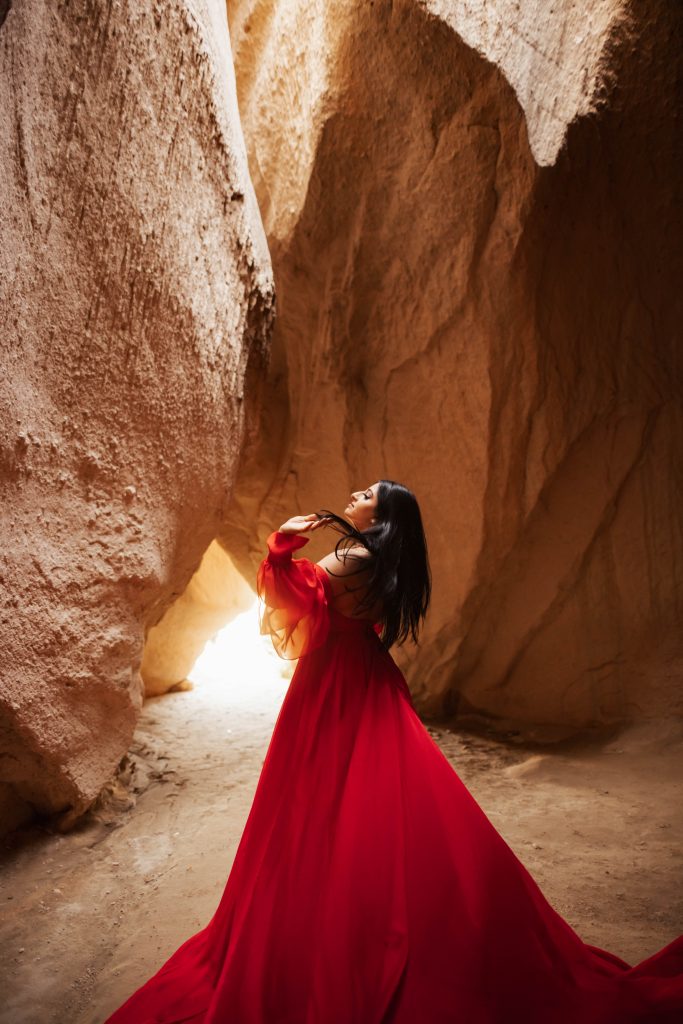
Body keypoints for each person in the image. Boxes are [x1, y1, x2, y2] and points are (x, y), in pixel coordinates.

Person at [105, 479, 682, 1023]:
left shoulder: (357, 557)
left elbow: (291, 598)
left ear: (381, 515)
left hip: (335, 683)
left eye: (368, 494)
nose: (355, 494)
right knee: (377, 797)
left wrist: (280, 546)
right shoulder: (386, 561)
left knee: (324, 798)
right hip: (362, 674)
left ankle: (341, 922)